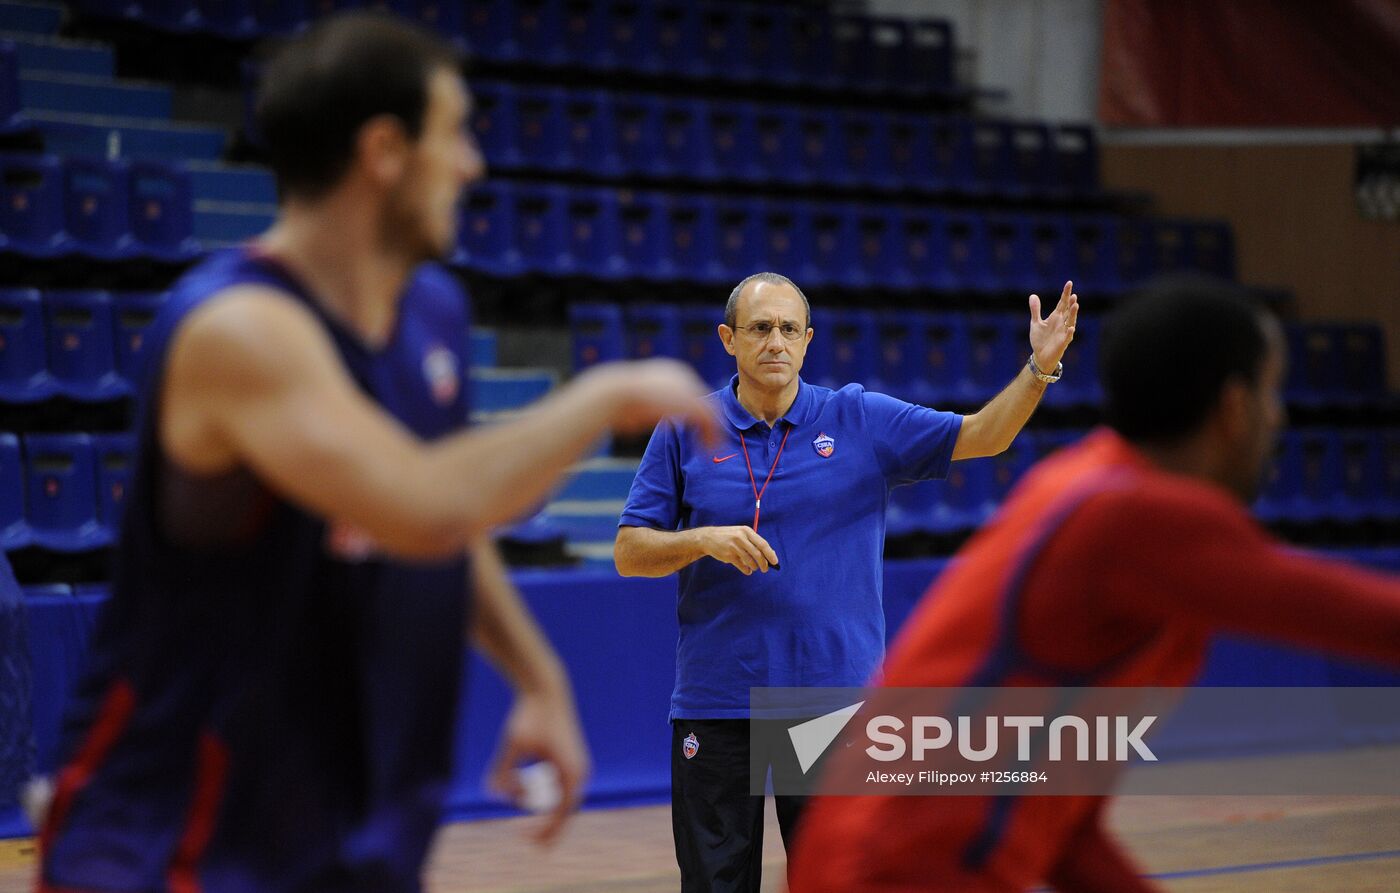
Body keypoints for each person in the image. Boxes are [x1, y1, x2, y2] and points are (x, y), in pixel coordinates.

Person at [36, 14, 716, 893]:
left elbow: (447, 516)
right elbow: (424, 501)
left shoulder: (431, 310)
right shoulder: (239, 330)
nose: (472, 164)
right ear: (384, 151)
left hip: (349, 831)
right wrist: (599, 397)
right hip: (173, 842)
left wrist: (536, 674)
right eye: (456, 134)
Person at [787, 278, 1400, 892]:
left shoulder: (1084, 482)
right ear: (1234, 408)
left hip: (867, 855)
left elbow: (1060, 822)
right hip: (896, 868)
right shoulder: (1139, 518)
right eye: (1271, 391)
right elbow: (1375, 621)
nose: (1279, 414)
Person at [614, 271, 1080, 891]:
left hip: (834, 706)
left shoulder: (859, 418)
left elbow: (983, 436)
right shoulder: (684, 429)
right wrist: (702, 539)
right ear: (728, 338)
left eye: (788, 329)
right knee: (713, 883)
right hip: (719, 701)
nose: (774, 341)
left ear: (809, 341)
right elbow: (628, 550)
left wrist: (1039, 369)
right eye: (758, 328)